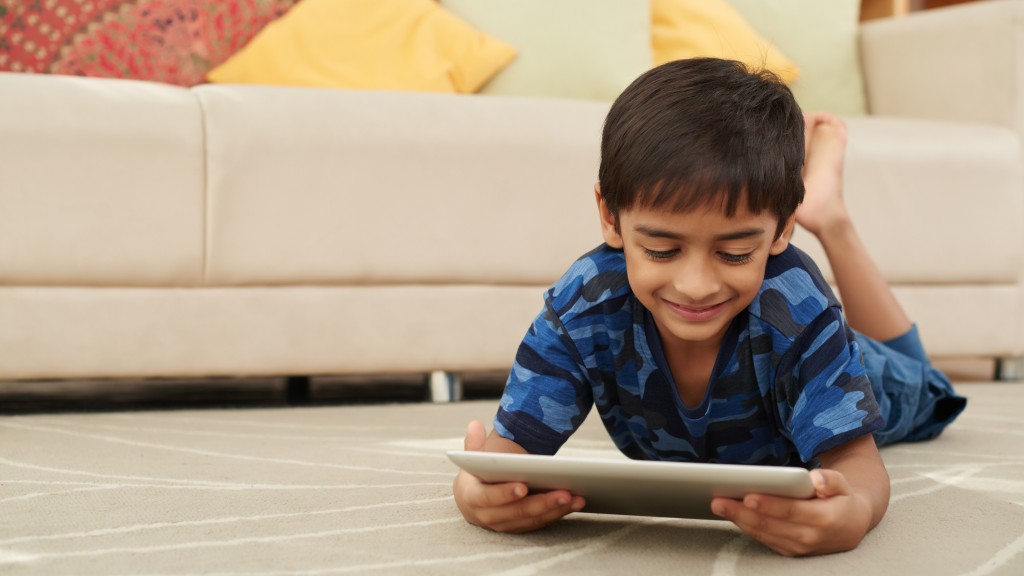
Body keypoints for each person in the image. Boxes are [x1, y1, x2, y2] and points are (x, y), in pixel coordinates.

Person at [452, 58, 967, 557]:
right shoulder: (584, 303)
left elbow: (856, 461)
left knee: (926, 381)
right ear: (610, 216)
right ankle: (818, 209)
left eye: (735, 253)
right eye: (661, 249)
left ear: (782, 229)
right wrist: (477, 490)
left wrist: (855, 510)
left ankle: (830, 217)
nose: (696, 286)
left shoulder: (798, 308)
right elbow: (509, 452)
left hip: (850, 365)